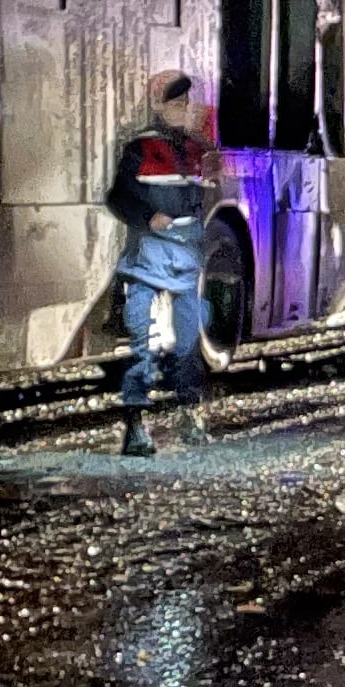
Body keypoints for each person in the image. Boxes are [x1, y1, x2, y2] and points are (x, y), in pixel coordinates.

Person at [107, 72, 224, 457]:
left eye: (184, 104)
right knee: (144, 345)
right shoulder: (141, 149)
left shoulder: (196, 151)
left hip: (184, 264)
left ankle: (189, 415)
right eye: (174, 103)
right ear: (158, 106)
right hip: (147, 261)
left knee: (188, 345)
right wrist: (147, 216)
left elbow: (202, 198)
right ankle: (137, 426)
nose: (181, 110)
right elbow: (118, 198)